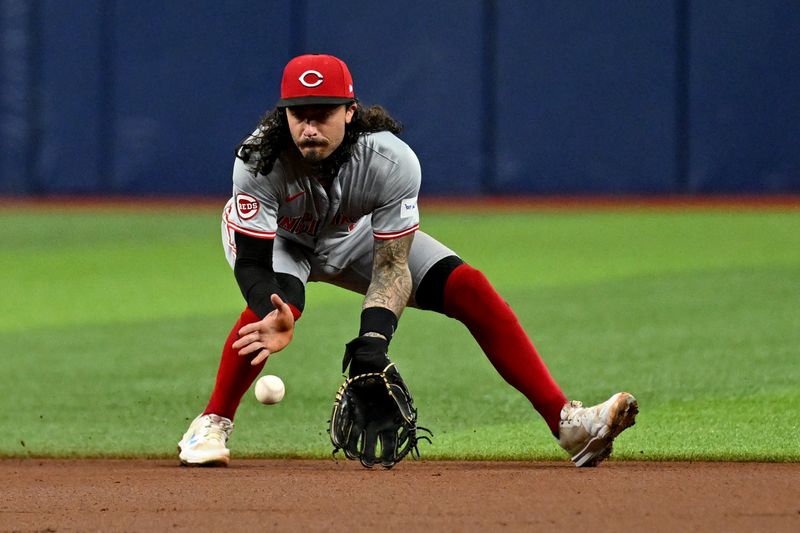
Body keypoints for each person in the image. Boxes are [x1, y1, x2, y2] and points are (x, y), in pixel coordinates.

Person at [178, 53, 638, 468]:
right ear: (285, 114)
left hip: (353, 233)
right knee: (280, 303)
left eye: (323, 114)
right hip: (283, 240)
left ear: (350, 113)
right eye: (299, 115)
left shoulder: (390, 161)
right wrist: (269, 306)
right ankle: (212, 422)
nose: (310, 127)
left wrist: (372, 342)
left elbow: (392, 266)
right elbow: (253, 263)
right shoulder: (259, 159)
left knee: (468, 287)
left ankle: (567, 425)